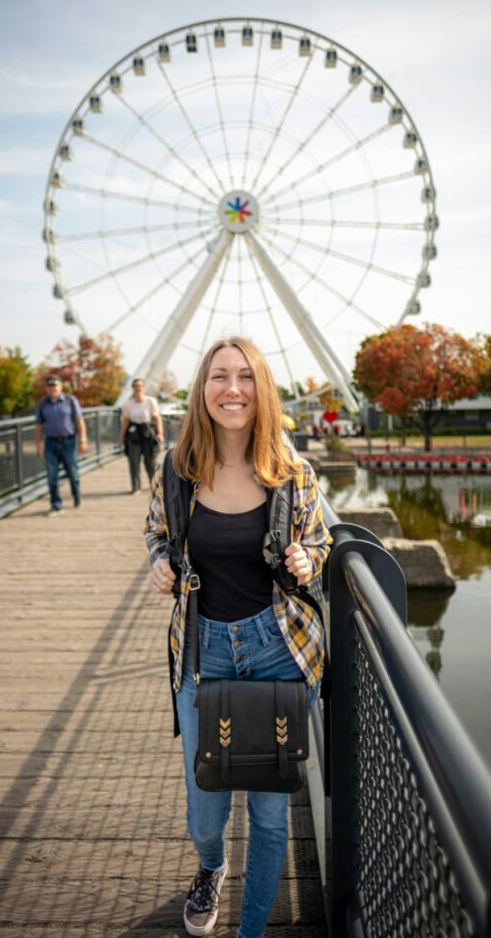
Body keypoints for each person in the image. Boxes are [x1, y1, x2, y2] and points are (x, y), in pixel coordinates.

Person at [145, 338, 331, 938]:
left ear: (263, 389)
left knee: (271, 814)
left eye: (245, 376)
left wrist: (310, 560)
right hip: (203, 652)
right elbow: (156, 533)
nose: (232, 389)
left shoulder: (292, 472)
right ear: (202, 390)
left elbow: (322, 542)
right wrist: (159, 561)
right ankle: (211, 865)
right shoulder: (175, 473)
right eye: (219, 376)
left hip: (278, 648)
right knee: (206, 805)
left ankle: (252, 929)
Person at [35, 375, 87, 515]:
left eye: (55, 386)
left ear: (60, 387)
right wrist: (39, 443)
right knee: (52, 475)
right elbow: (39, 425)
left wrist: (82, 439)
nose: (53, 389)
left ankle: (76, 496)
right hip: (50, 443)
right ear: (46, 388)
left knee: (73, 472)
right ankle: (56, 504)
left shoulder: (70, 401)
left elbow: (79, 421)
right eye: (50, 386)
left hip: (69, 442)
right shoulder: (42, 404)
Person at [119, 378, 164, 493]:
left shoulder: (150, 401)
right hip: (134, 434)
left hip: (148, 433)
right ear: (133, 388)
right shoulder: (128, 404)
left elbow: (157, 418)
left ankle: (153, 485)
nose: (138, 388)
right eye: (136, 386)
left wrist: (160, 433)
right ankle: (136, 487)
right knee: (134, 461)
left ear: (143, 388)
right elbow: (125, 421)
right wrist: (121, 438)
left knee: (150, 461)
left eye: (140, 386)